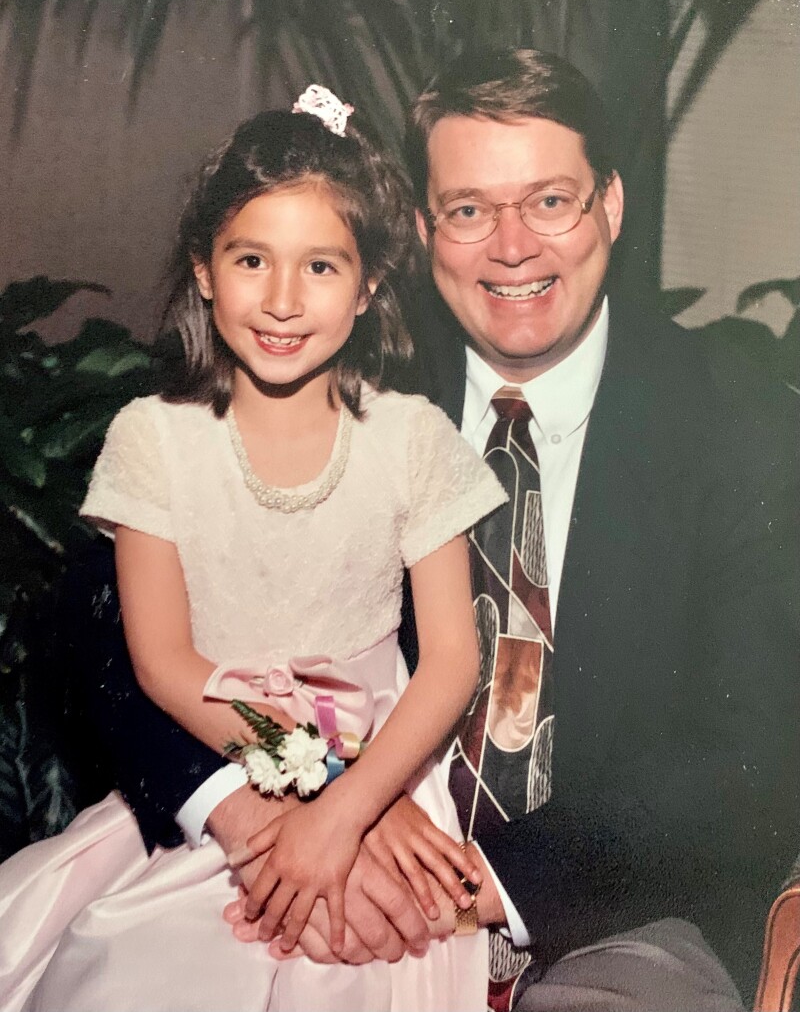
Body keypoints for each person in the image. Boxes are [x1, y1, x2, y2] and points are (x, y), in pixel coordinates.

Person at [9, 49, 797, 1012]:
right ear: (424, 232)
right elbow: (96, 631)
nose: (512, 246)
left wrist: (475, 883)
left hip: (614, 915)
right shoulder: (322, 366)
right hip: (291, 879)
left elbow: (755, 744)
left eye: (551, 200)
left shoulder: (741, 423)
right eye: (469, 209)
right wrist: (263, 819)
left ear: (612, 208)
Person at [0, 89, 510, 1011]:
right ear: (203, 270)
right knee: (134, 969)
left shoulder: (413, 438)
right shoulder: (153, 438)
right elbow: (162, 663)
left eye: (320, 265)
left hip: (387, 780)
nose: (281, 299)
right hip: (229, 756)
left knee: (361, 955)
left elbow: (450, 664)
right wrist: (298, 800)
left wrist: (349, 811)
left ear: (367, 287)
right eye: (250, 259)